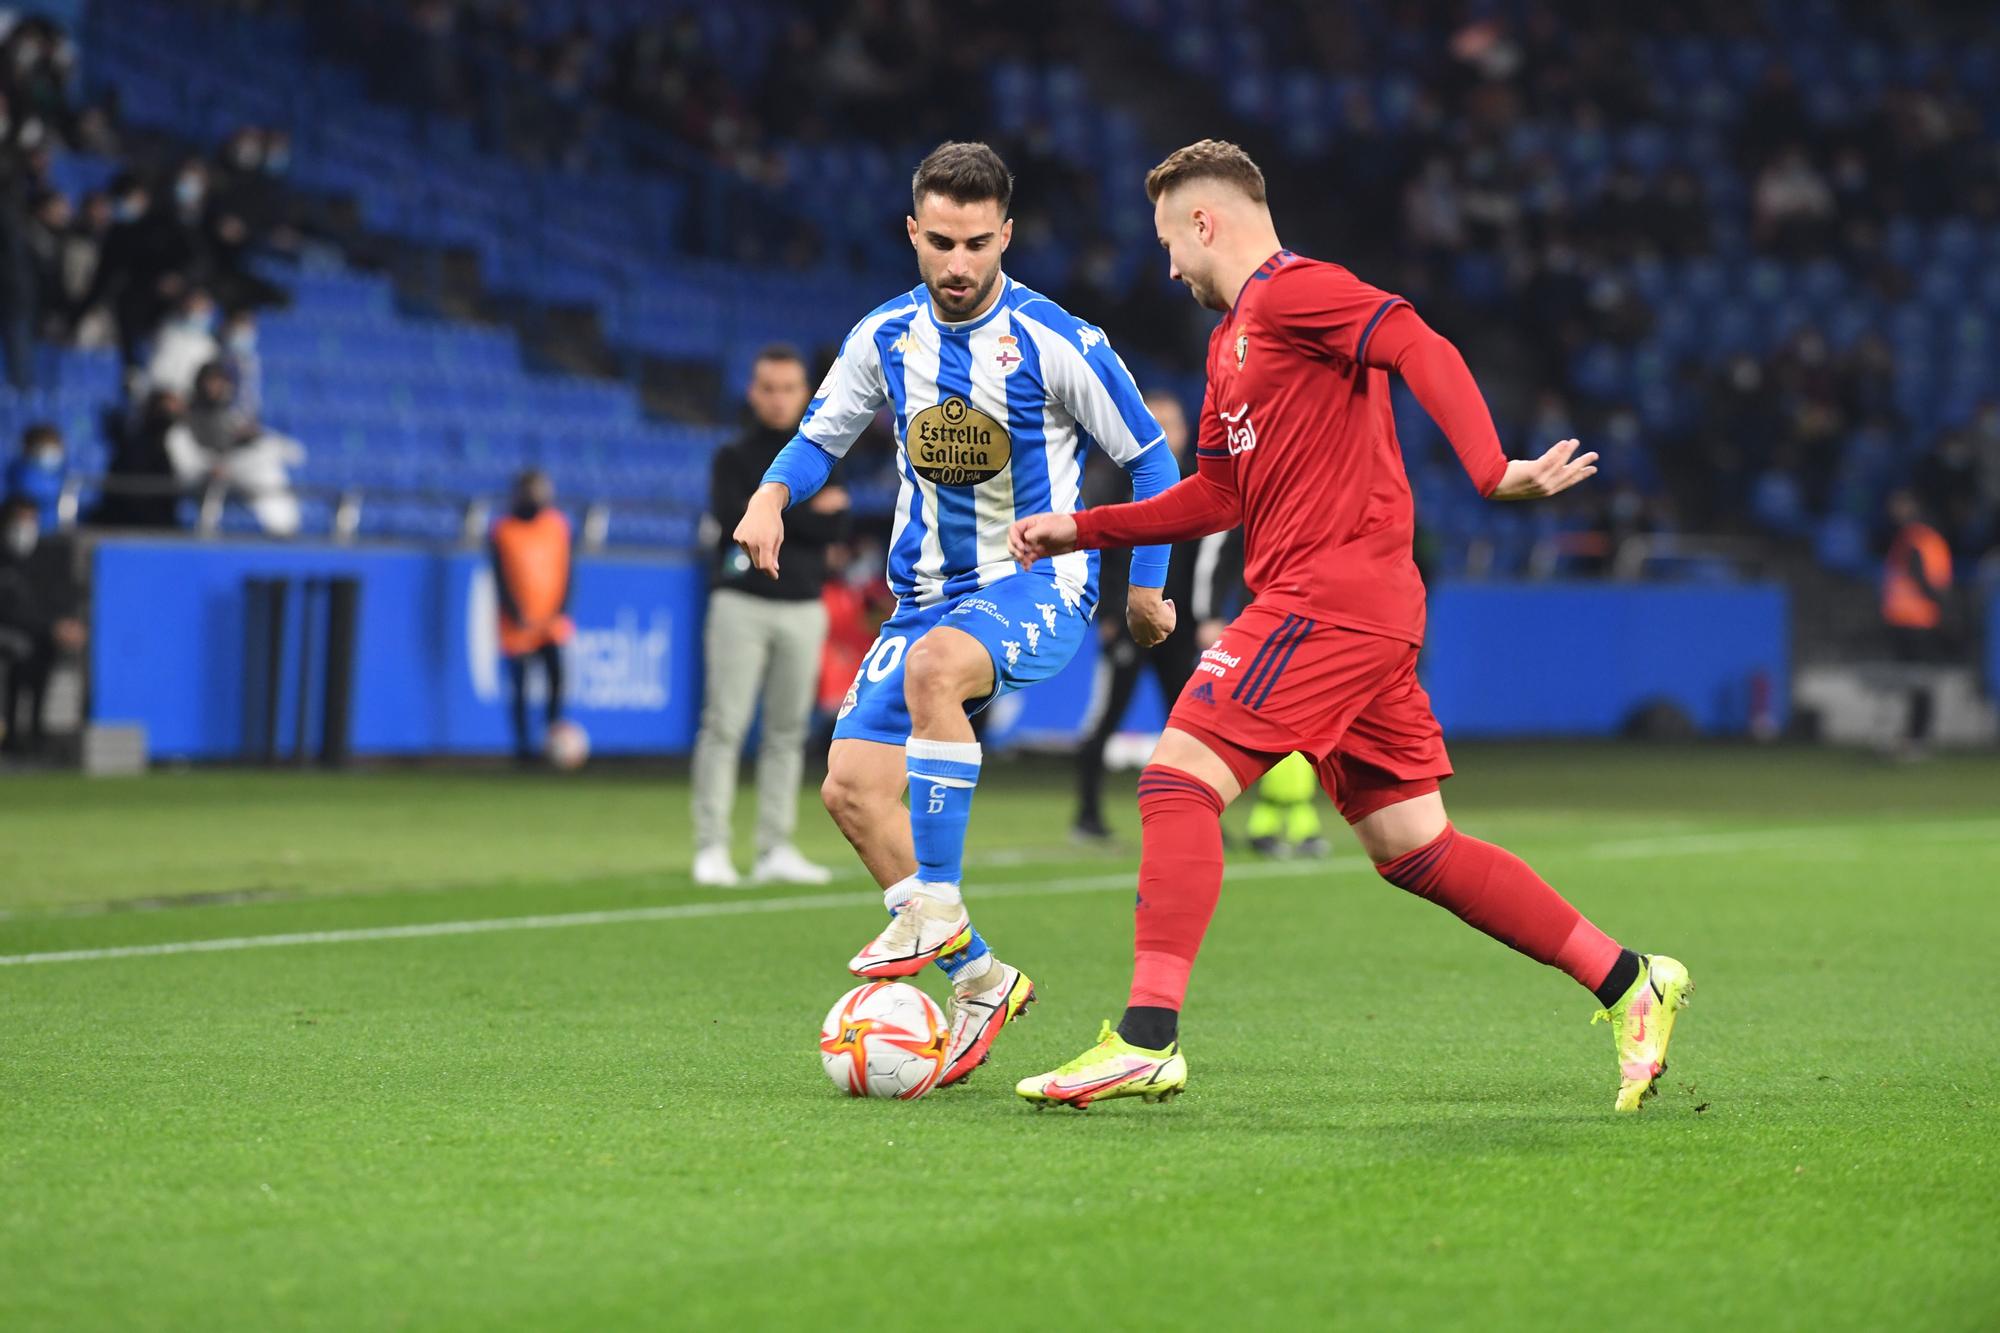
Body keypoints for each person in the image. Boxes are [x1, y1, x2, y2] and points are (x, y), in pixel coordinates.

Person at [1009, 140, 1691, 1113]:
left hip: (1327, 599)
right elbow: (1215, 492)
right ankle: (1630, 979)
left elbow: (1417, 341)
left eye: (1168, 240)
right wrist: (1084, 526)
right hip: (1351, 609)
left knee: (1172, 781)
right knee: (1413, 846)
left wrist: (1490, 466)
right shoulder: (1228, 341)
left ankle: (1146, 1037)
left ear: (1204, 221)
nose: (1165, 265)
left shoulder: (1295, 292)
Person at [734, 142, 1180, 1088]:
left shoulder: (1058, 339)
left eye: (978, 242)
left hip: (1036, 587)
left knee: (938, 667)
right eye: (941, 241)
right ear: (913, 232)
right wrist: (771, 495)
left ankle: (933, 902)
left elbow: (1152, 460)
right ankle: (980, 977)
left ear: (1006, 235)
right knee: (851, 790)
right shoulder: (884, 337)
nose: (959, 263)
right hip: (922, 596)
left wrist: (1145, 585)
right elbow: (820, 438)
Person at [691, 345, 849, 888]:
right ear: (753, 393)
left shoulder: (821, 454)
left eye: (788, 387)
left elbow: (834, 531)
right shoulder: (731, 457)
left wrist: (777, 511)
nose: (779, 398)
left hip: (804, 605)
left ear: (805, 393)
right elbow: (736, 517)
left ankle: (774, 847)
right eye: (769, 387)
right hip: (741, 601)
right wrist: (806, 512)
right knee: (724, 725)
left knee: (787, 732)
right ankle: (711, 847)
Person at [1071, 387, 1216, 842]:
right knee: (1106, 719)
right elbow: (1103, 554)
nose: (1165, 433)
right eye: (1157, 423)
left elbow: (1205, 560)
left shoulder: (1199, 481)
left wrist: (1203, 617)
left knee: (1192, 723)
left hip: (1183, 627)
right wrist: (1110, 613)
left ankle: (1200, 817)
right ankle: (1087, 814)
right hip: (1129, 623)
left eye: (1172, 423)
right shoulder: (1116, 482)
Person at [488, 469, 573, 762]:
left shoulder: (556, 526)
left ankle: (551, 738)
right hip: (517, 625)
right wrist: (514, 612)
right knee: (520, 687)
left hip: (550, 622)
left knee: (557, 680)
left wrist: (560, 609)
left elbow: (567, 569)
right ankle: (523, 749)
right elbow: (499, 578)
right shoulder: (503, 530)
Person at [0, 495, 85, 754]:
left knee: (41, 658)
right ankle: (12, 734)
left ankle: (35, 734)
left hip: (41, 633)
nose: (26, 524)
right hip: (9, 631)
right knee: (18, 654)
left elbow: (62, 594)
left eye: (31, 518)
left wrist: (65, 624)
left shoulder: (48, 555)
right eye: (20, 518)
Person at [1879, 489, 1954, 757]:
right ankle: (1912, 736)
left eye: (1899, 504)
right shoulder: (1914, 538)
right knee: (1915, 683)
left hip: (1918, 623)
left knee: (1920, 682)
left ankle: (1917, 738)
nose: (1894, 510)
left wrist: (1943, 615)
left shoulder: (1917, 540)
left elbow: (1926, 583)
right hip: (1908, 621)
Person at [3, 423, 67, 530]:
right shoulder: (22, 475)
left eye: (55, 447)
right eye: (46, 448)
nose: (51, 454)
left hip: (56, 530)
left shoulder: (58, 474)